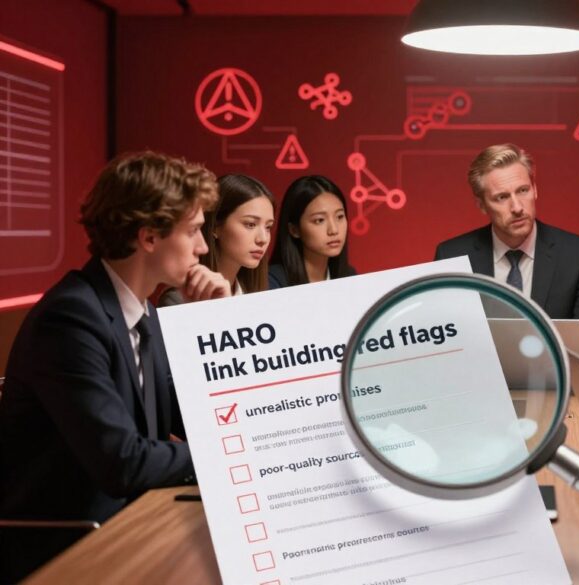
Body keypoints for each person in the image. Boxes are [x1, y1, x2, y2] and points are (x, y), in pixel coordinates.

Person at [0, 152, 229, 581]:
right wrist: (222, 455)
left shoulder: (145, 312)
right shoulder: (70, 318)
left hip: (129, 523)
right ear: (148, 237)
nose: (203, 248)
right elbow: (123, 463)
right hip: (66, 552)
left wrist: (214, 325)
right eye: (195, 231)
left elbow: (202, 420)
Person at [434, 143, 579, 373]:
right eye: (501, 197)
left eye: (523, 190)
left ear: (535, 189)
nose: (517, 207)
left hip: (557, 388)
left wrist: (578, 372)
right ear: (482, 205)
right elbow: (441, 343)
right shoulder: (452, 257)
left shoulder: (576, 254)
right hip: (479, 388)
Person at [158, 174, 275, 305]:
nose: (263, 239)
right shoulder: (180, 300)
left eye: (268, 227)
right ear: (215, 226)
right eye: (250, 224)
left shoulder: (260, 299)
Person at [268, 175, 355, 288]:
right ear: (294, 230)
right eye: (319, 220)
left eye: (339, 217)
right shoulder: (273, 281)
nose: (334, 230)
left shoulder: (350, 276)